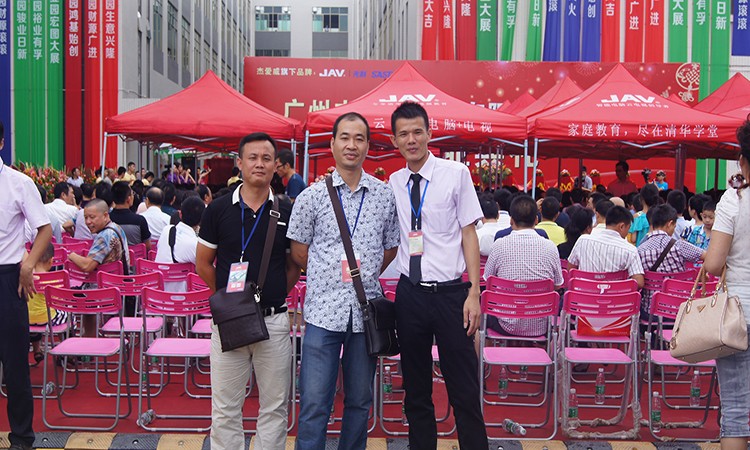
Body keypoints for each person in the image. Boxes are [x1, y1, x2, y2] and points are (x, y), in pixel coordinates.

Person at [288, 113, 399, 450]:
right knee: (314, 403)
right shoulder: (311, 197)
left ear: (368, 146)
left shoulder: (383, 195)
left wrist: (362, 276)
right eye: (345, 137)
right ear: (333, 143)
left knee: (360, 402)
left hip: (365, 314)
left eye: (359, 138)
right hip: (322, 312)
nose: (352, 145)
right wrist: (327, 275)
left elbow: (390, 247)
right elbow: (298, 251)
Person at [388, 102, 488, 449]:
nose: (411, 140)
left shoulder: (455, 173)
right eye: (404, 134)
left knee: (464, 388)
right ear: (395, 140)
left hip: (451, 296)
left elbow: (469, 234)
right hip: (410, 295)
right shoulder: (394, 182)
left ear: (429, 133)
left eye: (418, 132)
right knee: (416, 390)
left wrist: (473, 292)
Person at [196, 132, 300, 450]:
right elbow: (203, 263)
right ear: (239, 163)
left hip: (274, 322)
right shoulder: (218, 209)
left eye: (266, 158)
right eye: (252, 157)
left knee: (275, 408)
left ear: (275, 165)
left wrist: (270, 294)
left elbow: (293, 266)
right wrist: (233, 300)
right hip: (230, 321)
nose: (259, 164)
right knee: (225, 409)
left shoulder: (286, 209)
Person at [0, 120, 53, 450]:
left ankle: (21, 438)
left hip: (8, 280)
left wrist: (29, 264)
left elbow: (44, 228)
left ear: (1, 143)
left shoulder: (19, 183)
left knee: (15, 364)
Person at [703, 119, 750, 450]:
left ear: (742, 160)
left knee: (734, 409)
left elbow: (713, 264)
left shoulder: (734, 201)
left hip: (737, 312)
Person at [483, 194, 564, 337]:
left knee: (481, 318)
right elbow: (558, 284)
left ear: (511, 220)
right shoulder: (550, 247)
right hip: (540, 324)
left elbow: (488, 281)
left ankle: (487, 351)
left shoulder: (499, 245)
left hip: (505, 322)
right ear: (536, 220)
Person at [67, 199, 130, 336]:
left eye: (92, 217)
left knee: (76, 292)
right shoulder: (116, 228)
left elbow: (87, 266)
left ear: (105, 215)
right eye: (85, 218)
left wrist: (71, 255)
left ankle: (88, 339)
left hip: (103, 290)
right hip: (116, 284)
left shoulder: (104, 236)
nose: (88, 222)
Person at [637, 204, 704, 314]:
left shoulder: (640, 250)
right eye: (674, 226)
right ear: (669, 223)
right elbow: (707, 256)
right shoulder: (679, 246)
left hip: (651, 311)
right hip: (680, 309)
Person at [568, 205, 645, 289]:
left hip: (582, 295)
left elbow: (571, 269)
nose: (628, 232)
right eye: (629, 228)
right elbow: (639, 282)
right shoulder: (630, 250)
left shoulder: (583, 240)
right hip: (615, 296)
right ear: (622, 226)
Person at [27, 243, 69, 366]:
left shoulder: (26, 277)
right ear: (51, 261)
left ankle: (37, 349)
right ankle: (65, 350)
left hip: (26, 319)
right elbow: (58, 301)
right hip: (47, 319)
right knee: (67, 315)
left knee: (34, 311)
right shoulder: (53, 279)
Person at [155, 196, 205, 292]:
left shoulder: (166, 230)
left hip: (156, 296)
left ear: (180, 214)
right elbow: (207, 270)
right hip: (183, 298)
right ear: (201, 220)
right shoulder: (194, 245)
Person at [110, 181, 152, 252]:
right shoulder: (140, 220)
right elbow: (147, 246)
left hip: (113, 258)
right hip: (137, 257)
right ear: (128, 199)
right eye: (132, 194)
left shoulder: (107, 219)